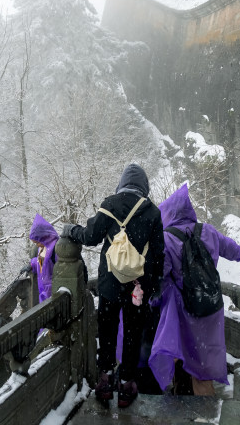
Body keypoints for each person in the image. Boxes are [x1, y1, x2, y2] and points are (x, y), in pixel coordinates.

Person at [62, 164, 164, 408]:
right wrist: (153, 284)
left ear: (122, 183)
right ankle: (127, 385)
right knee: (132, 334)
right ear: (144, 186)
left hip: (109, 284)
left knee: (107, 332)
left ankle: (105, 380)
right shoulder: (152, 212)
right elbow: (159, 253)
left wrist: (71, 230)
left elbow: (90, 236)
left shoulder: (110, 205)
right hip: (137, 287)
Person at [149, 183, 240, 395]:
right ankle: (206, 404)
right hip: (210, 305)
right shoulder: (208, 231)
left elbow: (160, 273)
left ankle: (178, 395)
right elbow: (233, 249)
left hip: (185, 308)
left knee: (180, 350)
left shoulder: (167, 238)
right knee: (204, 366)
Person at [29, 213, 59, 303]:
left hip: (53, 290)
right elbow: (40, 262)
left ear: (44, 237)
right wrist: (31, 265)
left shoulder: (55, 248)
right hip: (43, 289)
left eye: (37, 242)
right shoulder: (41, 248)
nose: (37, 245)